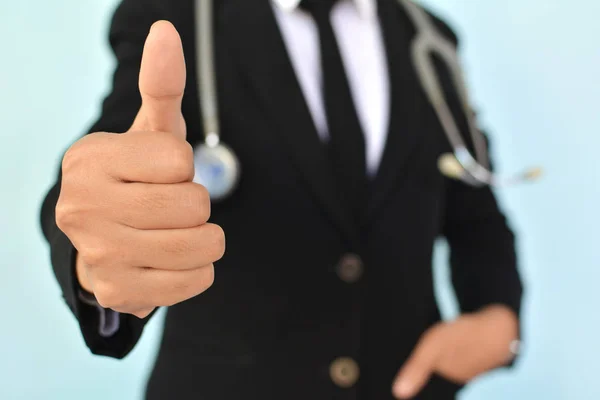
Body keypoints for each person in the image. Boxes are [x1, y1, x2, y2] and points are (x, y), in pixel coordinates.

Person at [40, 0, 523, 399]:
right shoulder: (175, 19)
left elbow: (476, 211)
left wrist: (499, 321)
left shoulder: (431, 38)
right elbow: (103, 179)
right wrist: (92, 252)